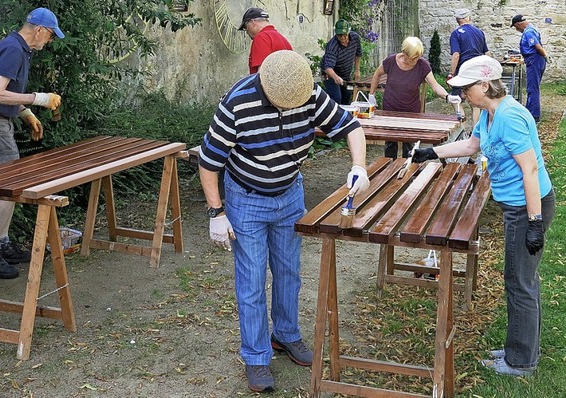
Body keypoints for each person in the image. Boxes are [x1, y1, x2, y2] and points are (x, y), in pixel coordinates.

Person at [197, 50, 369, 392]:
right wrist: (217, 213)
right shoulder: (237, 103)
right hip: (246, 197)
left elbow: (350, 126)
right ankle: (257, 358)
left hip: (290, 192)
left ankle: (286, 335)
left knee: (289, 271)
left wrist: (359, 166)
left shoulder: (307, 92)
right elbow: (208, 161)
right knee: (251, 280)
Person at [412, 55, 555, 377]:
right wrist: (432, 152)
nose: (463, 94)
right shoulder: (489, 115)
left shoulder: (511, 116)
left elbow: (529, 168)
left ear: (485, 85)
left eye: (466, 88)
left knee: (520, 283)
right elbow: (471, 146)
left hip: (528, 207)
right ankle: (522, 348)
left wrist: (534, 223)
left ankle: (521, 362)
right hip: (516, 207)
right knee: (520, 280)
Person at [0, 7, 64, 279]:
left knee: (10, 187)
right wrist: (40, 99)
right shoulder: (13, 50)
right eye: (50, 37)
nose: (49, 42)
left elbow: (5, 91)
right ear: (40, 30)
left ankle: (3, 243)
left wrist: (27, 114)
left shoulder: (17, 48)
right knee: (10, 188)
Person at [368, 37, 461, 159]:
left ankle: (408, 172)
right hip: (390, 109)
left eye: (418, 57)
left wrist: (447, 97)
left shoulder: (422, 65)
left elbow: (435, 85)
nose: (416, 60)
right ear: (404, 54)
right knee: (390, 143)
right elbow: (376, 75)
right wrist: (371, 95)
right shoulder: (390, 61)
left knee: (409, 145)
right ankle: (389, 169)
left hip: (411, 111)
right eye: (413, 57)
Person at [448, 8, 490, 124]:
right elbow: (487, 53)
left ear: (457, 20)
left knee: (456, 100)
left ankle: (462, 125)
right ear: (468, 18)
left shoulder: (456, 34)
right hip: (477, 69)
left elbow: (456, 55)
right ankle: (475, 132)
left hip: (463, 70)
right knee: (475, 102)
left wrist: (451, 73)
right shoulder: (479, 32)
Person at [511, 14, 548, 122]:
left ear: (518, 24)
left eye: (515, 27)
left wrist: (545, 55)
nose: (516, 29)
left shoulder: (529, 32)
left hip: (535, 60)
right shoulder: (532, 29)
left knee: (532, 88)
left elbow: (537, 47)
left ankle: (533, 115)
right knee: (531, 87)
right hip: (534, 59)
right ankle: (529, 110)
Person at [320, 19, 362, 105]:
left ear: (349, 32)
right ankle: (333, 117)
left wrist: (357, 70)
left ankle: (344, 117)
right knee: (336, 98)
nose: (342, 37)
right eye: (339, 35)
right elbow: (328, 68)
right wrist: (336, 77)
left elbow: (358, 54)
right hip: (331, 74)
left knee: (347, 95)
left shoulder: (355, 38)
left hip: (346, 74)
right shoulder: (332, 46)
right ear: (336, 33)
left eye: (344, 35)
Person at [238, 7, 292, 74]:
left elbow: (262, 74)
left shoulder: (261, 38)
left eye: (246, 27)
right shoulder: (281, 38)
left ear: (253, 22)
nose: (247, 32)